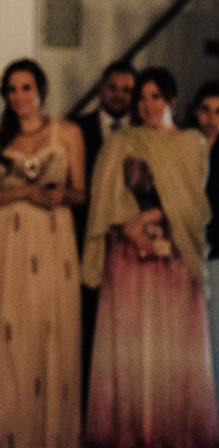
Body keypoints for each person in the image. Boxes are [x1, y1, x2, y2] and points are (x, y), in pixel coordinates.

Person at [81, 68, 218, 447]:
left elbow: (193, 204)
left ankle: (174, 436)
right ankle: (130, 435)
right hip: (128, 255)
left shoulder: (192, 143)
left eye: (156, 96)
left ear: (172, 100)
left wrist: (153, 216)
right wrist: (129, 227)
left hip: (174, 256)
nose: (148, 105)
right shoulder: (120, 142)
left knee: (172, 351)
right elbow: (105, 198)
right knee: (130, 350)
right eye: (142, 98)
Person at [0, 59, 85, 448]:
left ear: (40, 90)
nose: (19, 96)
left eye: (26, 87)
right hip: (9, 242)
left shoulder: (68, 132)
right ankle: (6, 429)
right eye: (12, 89)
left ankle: (51, 432)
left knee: (51, 325)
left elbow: (80, 192)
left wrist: (58, 194)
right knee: (9, 327)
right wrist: (25, 192)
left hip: (55, 240)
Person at [70, 60, 136, 415]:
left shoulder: (143, 132)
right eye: (113, 88)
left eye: (127, 90)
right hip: (84, 242)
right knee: (87, 330)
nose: (119, 96)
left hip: (130, 247)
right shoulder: (76, 129)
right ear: (100, 89)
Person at [192, 80, 219, 414]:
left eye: (218, 112)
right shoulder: (185, 148)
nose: (212, 118)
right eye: (206, 110)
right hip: (189, 252)